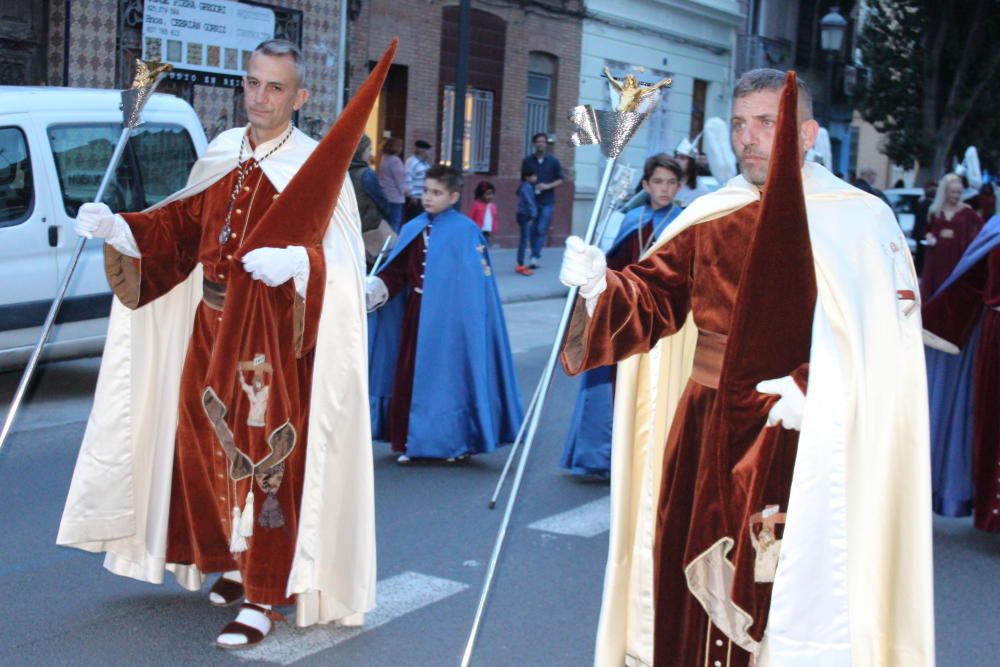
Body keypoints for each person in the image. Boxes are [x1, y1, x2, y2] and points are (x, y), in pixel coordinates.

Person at [559, 70, 932, 666]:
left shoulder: (858, 221)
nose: (749, 138)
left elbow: (884, 342)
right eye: (739, 124)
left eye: (766, 122)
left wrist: (820, 389)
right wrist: (600, 287)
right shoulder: (712, 214)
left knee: (777, 594)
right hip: (703, 429)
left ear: (806, 133)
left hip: (799, 439)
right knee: (687, 574)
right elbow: (653, 302)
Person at [57, 39, 395, 649]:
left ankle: (265, 595)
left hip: (267, 342)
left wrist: (297, 263)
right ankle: (237, 561)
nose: (259, 98)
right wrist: (120, 227)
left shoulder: (313, 168)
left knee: (265, 461)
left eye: (274, 88)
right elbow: (181, 228)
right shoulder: (221, 152)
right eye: (252, 83)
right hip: (207, 329)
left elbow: (346, 262)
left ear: (300, 97)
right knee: (203, 451)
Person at [365, 164, 523, 463]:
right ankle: (409, 442)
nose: (428, 197)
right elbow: (398, 271)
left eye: (436, 193)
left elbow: (475, 287)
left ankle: (452, 442)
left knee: (450, 381)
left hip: (451, 322)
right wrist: (378, 285)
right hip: (416, 315)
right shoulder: (413, 228)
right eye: (425, 191)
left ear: (452, 197)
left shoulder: (466, 233)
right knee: (409, 376)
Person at [560, 154, 684, 478]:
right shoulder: (629, 220)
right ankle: (600, 456)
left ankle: (648, 459)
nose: (664, 188)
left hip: (662, 320)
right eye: (658, 182)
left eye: (671, 182)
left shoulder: (684, 223)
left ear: (679, 186)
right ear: (646, 185)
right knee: (611, 383)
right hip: (625, 313)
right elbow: (609, 264)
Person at [922, 213, 1000, 533]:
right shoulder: (996, 228)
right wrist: (933, 323)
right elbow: (971, 283)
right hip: (997, 343)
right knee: (994, 429)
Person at [920, 173, 984, 300]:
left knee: (953, 289)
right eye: (953, 192)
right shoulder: (935, 210)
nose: (956, 196)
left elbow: (982, 228)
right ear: (945, 192)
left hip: (957, 256)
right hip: (936, 255)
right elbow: (927, 229)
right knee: (935, 286)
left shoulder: (967, 211)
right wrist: (929, 237)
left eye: (959, 192)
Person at [521, 132, 564, 267]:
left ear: (546, 144)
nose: (540, 144)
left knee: (541, 228)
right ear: (534, 144)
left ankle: (535, 256)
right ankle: (534, 253)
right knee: (533, 229)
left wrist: (547, 186)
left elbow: (560, 179)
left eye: (543, 141)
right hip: (532, 201)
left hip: (547, 200)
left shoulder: (553, 161)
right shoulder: (527, 161)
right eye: (538, 141)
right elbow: (523, 180)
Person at [350, 134, 391, 236]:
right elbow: (381, 201)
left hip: (351, 224)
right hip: (367, 226)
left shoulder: (346, 172)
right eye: (369, 149)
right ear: (361, 151)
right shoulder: (367, 174)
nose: (371, 154)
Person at [378, 136, 407, 231]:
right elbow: (400, 180)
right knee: (395, 224)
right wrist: (406, 192)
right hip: (396, 198)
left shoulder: (384, 159)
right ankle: (393, 245)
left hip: (385, 195)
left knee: (387, 225)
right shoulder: (396, 161)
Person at [673, 135, 710, 206]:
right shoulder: (668, 184)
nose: (677, 161)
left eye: (682, 158)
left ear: (691, 163)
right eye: (676, 157)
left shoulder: (702, 191)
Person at [515, 166, 538, 275]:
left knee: (524, 240)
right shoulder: (527, 188)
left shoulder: (524, 187)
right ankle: (520, 264)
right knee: (524, 241)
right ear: (527, 177)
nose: (535, 178)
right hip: (525, 215)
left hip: (522, 215)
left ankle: (520, 263)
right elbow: (530, 202)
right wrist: (533, 215)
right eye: (533, 176)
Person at [910, 180, 937, 274]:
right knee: (924, 255)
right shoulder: (933, 206)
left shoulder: (920, 204)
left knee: (919, 255)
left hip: (918, 233)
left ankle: (917, 271)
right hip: (925, 233)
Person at [405, 139, 432, 220]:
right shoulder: (412, 162)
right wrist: (411, 195)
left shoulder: (425, 163)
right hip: (415, 198)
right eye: (428, 151)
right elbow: (407, 178)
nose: (429, 153)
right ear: (422, 151)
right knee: (414, 219)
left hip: (422, 197)